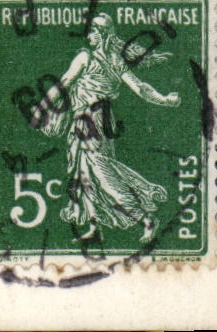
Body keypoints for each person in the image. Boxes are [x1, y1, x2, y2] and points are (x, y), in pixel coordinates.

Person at [34, 13, 181, 241]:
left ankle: (145, 218)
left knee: (103, 174)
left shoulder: (90, 58)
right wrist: (164, 99)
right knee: (84, 175)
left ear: (102, 35)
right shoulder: (110, 59)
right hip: (89, 120)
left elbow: (65, 83)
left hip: (93, 122)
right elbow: (139, 88)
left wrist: (42, 108)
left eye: (93, 31)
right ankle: (95, 228)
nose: (89, 36)